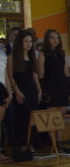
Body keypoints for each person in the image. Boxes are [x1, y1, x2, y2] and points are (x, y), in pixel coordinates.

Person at [8, 30, 41, 159]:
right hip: (20, 91)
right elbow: (10, 76)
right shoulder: (12, 57)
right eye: (26, 41)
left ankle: (31, 143)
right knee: (22, 118)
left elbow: (35, 75)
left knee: (32, 118)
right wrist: (17, 92)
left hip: (32, 90)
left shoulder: (32, 57)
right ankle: (22, 144)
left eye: (30, 42)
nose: (28, 44)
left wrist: (39, 91)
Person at [37, 29, 70, 150]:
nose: (55, 40)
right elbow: (41, 74)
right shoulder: (43, 54)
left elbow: (66, 72)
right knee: (51, 116)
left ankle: (60, 141)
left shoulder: (62, 53)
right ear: (47, 39)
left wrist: (69, 89)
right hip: (50, 86)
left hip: (62, 86)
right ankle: (53, 142)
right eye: (52, 38)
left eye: (57, 38)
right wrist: (44, 91)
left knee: (62, 116)